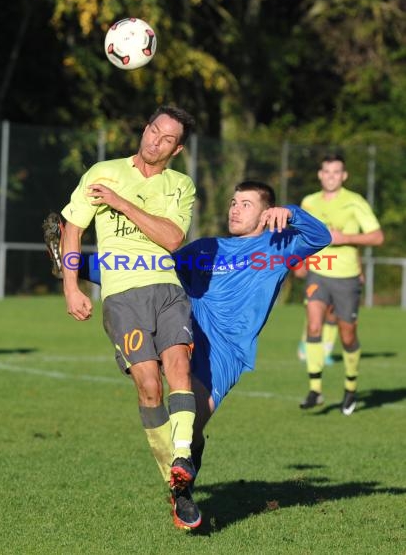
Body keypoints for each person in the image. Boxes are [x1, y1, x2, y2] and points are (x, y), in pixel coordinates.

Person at [45, 180, 331, 527]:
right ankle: (182, 494)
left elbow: (321, 237)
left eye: (246, 204)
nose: (235, 209)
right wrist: (76, 265)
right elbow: (148, 269)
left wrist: (293, 213)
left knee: (192, 428)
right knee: (172, 408)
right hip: (185, 329)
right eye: (233, 202)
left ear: (266, 212)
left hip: (226, 352)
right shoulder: (207, 247)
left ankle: (183, 481)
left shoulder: (279, 246)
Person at [43, 105, 202, 529]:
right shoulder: (103, 171)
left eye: (167, 138)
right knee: (149, 387)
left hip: (168, 289)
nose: (155, 141)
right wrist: (71, 286)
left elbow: (172, 237)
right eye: (153, 130)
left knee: (179, 367)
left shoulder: (180, 185)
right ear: (145, 127)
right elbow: (72, 229)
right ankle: (177, 484)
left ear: (178, 148)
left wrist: (120, 203)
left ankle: (183, 453)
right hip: (121, 297)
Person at [299, 153, 384, 415]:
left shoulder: (354, 202)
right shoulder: (309, 202)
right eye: (327, 171)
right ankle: (315, 390)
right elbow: (301, 234)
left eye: (337, 172)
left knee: (348, 335)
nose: (331, 176)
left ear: (344, 176)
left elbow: (377, 237)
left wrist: (343, 237)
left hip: (346, 277)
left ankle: (350, 387)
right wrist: (299, 260)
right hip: (318, 272)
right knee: (314, 324)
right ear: (320, 174)